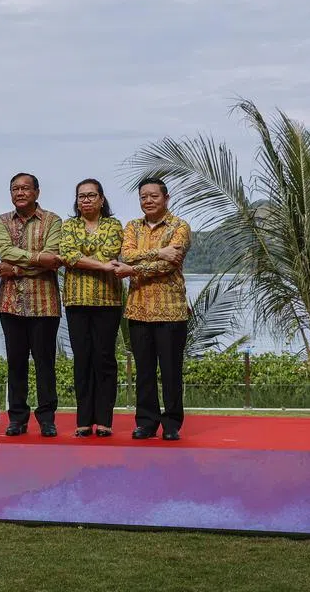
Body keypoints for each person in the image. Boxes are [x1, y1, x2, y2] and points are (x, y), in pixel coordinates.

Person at [115, 177, 192, 441]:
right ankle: (146, 422)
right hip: (138, 309)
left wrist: (134, 269)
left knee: (171, 370)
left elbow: (170, 264)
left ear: (166, 198)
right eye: (143, 197)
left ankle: (171, 424)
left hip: (171, 309)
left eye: (153, 196)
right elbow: (126, 255)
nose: (148, 201)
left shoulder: (180, 226)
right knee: (144, 371)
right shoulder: (132, 226)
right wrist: (159, 252)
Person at [0, 172, 63, 437]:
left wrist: (17, 269)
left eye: (25, 188)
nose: (20, 193)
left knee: (45, 363)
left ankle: (47, 418)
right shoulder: (1, 222)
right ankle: (17, 418)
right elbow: (4, 252)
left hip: (45, 303)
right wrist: (37, 260)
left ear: (37, 192)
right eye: (15, 189)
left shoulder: (53, 221)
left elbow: (53, 257)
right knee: (16, 363)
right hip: (11, 304)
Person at [59, 179, 124, 438]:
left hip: (107, 301)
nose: (85, 200)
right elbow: (68, 256)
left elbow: (110, 253)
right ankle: (84, 420)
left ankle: (105, 420)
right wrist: (100, 265)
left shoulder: (114, 225)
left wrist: (85, 260)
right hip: (77, 301)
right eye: (81, 196)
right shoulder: (69, 226)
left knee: (105, 359)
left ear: (101, 199)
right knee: (83, 360)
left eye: (91, 195)